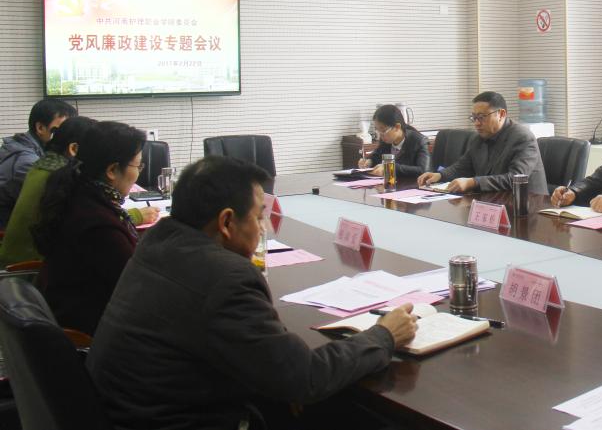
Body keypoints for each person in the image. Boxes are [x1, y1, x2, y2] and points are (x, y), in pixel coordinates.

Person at [87, 156, 418, 430]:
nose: (264, 228)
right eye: (259, 217)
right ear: (226, 222)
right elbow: (306, 378)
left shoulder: (156, 243)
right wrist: (384, 335)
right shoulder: (226, 279)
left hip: (123, 413)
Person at [31, 120, 147, 335]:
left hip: (67, 312)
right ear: (112, 170)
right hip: (91, 331)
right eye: (138, 166)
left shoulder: (76, 194)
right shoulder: (99, 226)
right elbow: (136, 288)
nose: (138, 172)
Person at [0, 117, 157, 268]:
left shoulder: (55, 174)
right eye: (138, 166)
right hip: (25, 268)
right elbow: (129, 276)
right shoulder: (91, 216)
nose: (138, 172)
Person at [417, 91, 546, 194]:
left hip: (528, 205)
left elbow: (515, 178)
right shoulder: (479, 138)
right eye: (474, 117)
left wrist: (474, 182)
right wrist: (440, 175)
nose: (477, 123)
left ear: (501, 114)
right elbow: (463, 167)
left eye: (482, 117)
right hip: (494, 201)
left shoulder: (522, 138)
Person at [0, 98, 77, 226]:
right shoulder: (28, 161)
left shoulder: (24, 145)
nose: (66, 136)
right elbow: (56, 196)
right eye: (60, 131)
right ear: (40, 128)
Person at [358, 104, 429, 178]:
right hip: (389, 183)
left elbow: (423, 170)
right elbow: (377, 155)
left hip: (410, 184)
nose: (380, 135)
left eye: (383, 131)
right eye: (377, 130)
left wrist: (390, 168)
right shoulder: (386, 140)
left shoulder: (419, 141)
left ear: (397, 127)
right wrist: (369, 161)